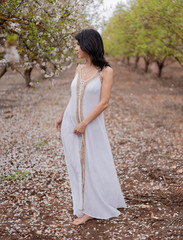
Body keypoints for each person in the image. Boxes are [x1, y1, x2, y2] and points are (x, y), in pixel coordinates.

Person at [56, 28, 127, 226]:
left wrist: (84, 123)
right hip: (71, 124)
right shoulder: (79, 69)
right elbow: (74, 95)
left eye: (79, 44)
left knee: (92, 163)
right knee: (76, 164)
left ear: (89, 45)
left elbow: (104, 103)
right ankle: (83, 203)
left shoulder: (106, 71)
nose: (76, 48)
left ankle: (92, 208)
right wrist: (63, 115)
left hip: (89, 126)